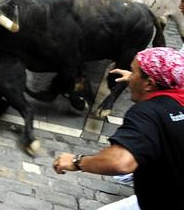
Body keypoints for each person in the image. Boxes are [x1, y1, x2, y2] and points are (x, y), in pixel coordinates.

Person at [53, 47, 184, 210]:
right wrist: (135, 78)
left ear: (150, 83)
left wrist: (76, 161)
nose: (130, 75)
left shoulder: (147, 113)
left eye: (133, 72)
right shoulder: (179, 96)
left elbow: (119, 162)